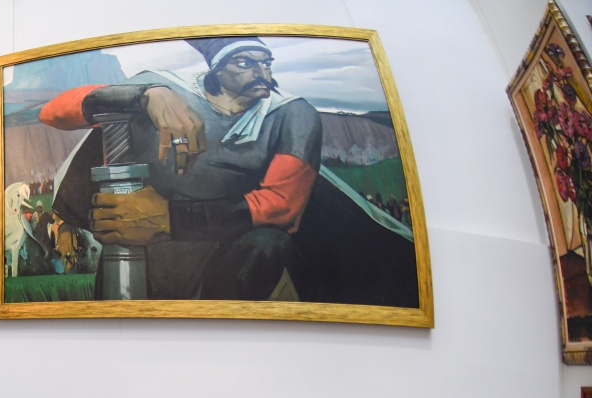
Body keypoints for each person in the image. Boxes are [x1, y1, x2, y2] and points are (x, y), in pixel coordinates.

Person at [39, 36, 419, 306]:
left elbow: (281, 205)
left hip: (234, 250)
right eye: (245, 63)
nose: (261, 71)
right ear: (217, 70)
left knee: (268, 245)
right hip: (150, 248)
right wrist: (143, 95)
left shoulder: (291, 114)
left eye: (266, 62)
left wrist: (170, 218)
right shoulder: (166, 88)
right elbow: (53, 113)